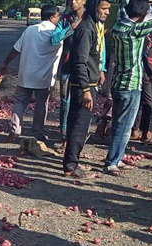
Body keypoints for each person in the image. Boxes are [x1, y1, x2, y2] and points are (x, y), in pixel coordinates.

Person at [102, 0, 152, 175]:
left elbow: (124, 10)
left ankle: (116, 157)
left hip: (117, 82)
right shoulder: (135, 31)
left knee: (118, 124)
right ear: (141, 16)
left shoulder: (118, 26)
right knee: (125, 127)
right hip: (131, 85)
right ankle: (112, 162)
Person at [0, 5, 64, 145]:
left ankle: (14, 130)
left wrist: (5, 62)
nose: (59, 19)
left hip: (26, 75)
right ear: (52, 16)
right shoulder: (57, 35)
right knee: (41, 105)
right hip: (45, 78)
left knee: (20, 103)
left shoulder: (30, 30)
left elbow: (16, 49)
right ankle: (37, 133)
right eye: (58, 16)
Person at [62, 0, 111, 178]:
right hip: (83, 86)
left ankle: (72, 162)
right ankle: (71, 165)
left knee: (78, 124)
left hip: (88, 84)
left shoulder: (93, 26)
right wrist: (85, 90)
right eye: (103, 9)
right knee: (79, 126)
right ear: (94, 7)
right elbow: (80, 61)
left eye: (108, 10)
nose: (106, 13)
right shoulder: (86, 29)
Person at [52, 0, 86, 141]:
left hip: (85, 67)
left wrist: (101, 68)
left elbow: (100, 42)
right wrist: (70, 28)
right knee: (65, 101)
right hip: (67, 66)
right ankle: (64, 135)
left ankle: (78, 134)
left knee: (84, 101)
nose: (73, 2)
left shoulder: (90, 18)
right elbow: (54, 39)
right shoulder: (65, 19)